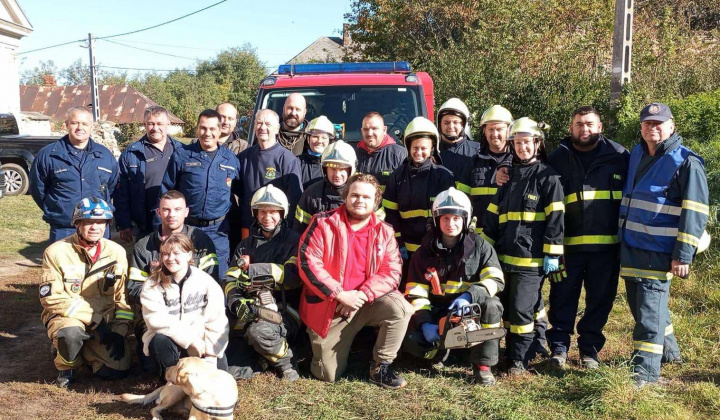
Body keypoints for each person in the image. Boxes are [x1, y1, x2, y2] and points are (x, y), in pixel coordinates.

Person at [618, 103, 708, 388]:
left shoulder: (687, 162)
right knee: (642, 306)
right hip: (632, 246)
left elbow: (695, 213)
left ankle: (645, 374)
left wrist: (683, 255)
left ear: (671, 126)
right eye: (647, 123)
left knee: (648, 313)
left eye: (658, 123)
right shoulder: (637, 154)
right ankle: (669, 353)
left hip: (659, 252)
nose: (652, 128)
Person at [298, 173, 414, 388]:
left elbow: (392, 271)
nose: (360, 200)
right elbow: (308, 263)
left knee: (401, 309)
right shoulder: (323, 223)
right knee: (327, 375)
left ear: (376, 201)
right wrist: (340, 294)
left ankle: (381, 367)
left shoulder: (385, 231)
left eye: (366, 197)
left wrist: (361, 296)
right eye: (355, 195)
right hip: (331, 306)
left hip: (365, 301)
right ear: (345, 196)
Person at [546, 106, 629, 369]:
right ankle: (558, 350)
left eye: (590, 124)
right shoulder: (557, 158)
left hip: (606, 249)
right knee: (561, 298)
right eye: (579, 124)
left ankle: (589, 351)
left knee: (600, 301)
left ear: (600, 127)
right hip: (566, 249)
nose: (585, 129)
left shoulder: (619, 156)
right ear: (570, 128)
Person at [482, 117, 565, 375]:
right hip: (505, 258)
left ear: (537, 144)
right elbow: (494, 214)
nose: (522, 148)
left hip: (532, 261)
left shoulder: (548, 177)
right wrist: (484, 249)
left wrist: (552, 252)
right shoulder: (508, 177)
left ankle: (519, 360)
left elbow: (556, 216)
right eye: (517, 143)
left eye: (526, 143)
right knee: (509, 307)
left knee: (520, 312)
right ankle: (516, 351)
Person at [403, 188, 505, 386]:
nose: (451, 224)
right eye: (445, 218)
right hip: (438, 311)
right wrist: (424, 323)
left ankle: (483, 366)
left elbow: (496, 279)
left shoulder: (481, 247)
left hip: (469, 310)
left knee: (493, 305)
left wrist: (469, 296)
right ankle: (440, 353)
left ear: (466, 220)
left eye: (456, 218)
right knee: (411, 340)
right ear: (436, 220)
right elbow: (415, 292)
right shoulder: (424, 252)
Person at [39, 198, 132, 388]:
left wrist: (119, 331)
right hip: (68, 318)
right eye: (89, 222)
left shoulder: (117, 252)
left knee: (116, 371)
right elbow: (52, 298)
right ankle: (67, 365)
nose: (95, 227)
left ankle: (85, 350)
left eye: (101, 222)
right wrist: (93, 320)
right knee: (71, 334)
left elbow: (121, 297)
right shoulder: (56, 252)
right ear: (77, 224)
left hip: (104, 322)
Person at [128, 190, 219, 370]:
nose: (172, 215)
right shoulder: (143, 247)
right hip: (158, 319)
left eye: (177, 209)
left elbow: (212, 283)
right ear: (158, 212)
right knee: (151, 364)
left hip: (195, 317)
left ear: (186, 212)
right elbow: (133, 289)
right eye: (166, 210)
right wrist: (163, 294)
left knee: (219, 366)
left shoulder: (201, 241)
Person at [223, 185, 302, 381]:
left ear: (282, 213)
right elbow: (230, 278)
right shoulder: (245, 245)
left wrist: (254, 271)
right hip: (251, 308)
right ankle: (264, 358)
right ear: (255, 214)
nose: (268, 217)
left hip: (285, 308)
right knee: (232, 368)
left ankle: (287, 364)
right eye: (262, 212)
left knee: (260, 332)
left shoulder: (294, 241)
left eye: (273, 212)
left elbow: (294, 277)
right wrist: (236, 301)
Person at [161, 109, 241, 279]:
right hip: (187, 228)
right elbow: (167, 191)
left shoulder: (231, 159)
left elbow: (239, 192)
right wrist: (165, 227)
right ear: (197, 129)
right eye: (203, 128)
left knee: (218, 278)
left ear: (220, 130)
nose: (207, 133)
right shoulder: (182, 156)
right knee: (183, 275)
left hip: (219, 231)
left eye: (212, 129)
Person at [140, 232, 229, 379]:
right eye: (166, 254)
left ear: (189, 256)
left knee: (219, 380)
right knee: (159, 340)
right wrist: (190, 340)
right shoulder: (152, 284)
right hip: (172, 343)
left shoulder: (206, 281)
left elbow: (217, 320)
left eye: (176, 253)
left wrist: (211, 353)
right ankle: (169, 381)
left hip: (202, 344)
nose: (171, 258)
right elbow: (155, 320)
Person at [30, 106, 118, 242]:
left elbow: (112, 187)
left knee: (99, 264)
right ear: (66, 124)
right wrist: (57, 207)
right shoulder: (48, 155)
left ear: (91, 126)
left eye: (84, 124)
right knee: (63, 263)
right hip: (64, 227)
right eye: (74, 123)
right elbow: (38, 189)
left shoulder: (105, 156)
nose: (79, 127)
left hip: (98, 227)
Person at [382, 116, 454, 277]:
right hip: (405, 250)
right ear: (408, 147)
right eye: (415, 148)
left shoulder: (443, 176)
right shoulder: (397, 176)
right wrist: (397, 243)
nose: (419, 152)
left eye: (423, 148)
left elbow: (450, 215)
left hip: (436, 249)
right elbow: (390, 214)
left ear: (432, 148)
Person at [114, 106, 183, 243]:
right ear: (144, 124)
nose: (155, 128)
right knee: (147, 262)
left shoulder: (181, 151)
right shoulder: (131, 154)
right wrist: (124, 224)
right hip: (145, 225)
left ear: (168, 123)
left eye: (159, 124)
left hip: (176, 223)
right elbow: (121, 192)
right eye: (151, 123)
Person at [237, 109, 303, 239]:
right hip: (248, 228)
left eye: (268, 124)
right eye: (259, 123)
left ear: (277, 128)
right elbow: (238, 190)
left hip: (276, 230)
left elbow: (295, 199)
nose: (262, 127)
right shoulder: (244, 157)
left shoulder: (287, 160)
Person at [457, 105, 514, 233]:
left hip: (509, 237)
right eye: (491, 129)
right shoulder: (473, 163)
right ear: (484, 131)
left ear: (509, 131)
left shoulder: (518, 163)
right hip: (479, 237)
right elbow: (461, 201)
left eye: (499, 129)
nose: (495, 134)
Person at [294, 140, 357, 233]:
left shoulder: (362, 192)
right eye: (332, 169)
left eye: (342, 169)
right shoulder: (311, 194)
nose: (337, 174)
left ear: (351, 169)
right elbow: (300, 231)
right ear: (324, 169)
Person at [355, 112, 407, 191]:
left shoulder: (400, 155)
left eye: (374, 128)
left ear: (384, 130)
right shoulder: (353, 155)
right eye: (366, 129)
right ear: (361, 130)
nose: (369, 133)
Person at [437, 98, 480, 181]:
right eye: (446, 122)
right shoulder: (431, 152)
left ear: (464, 125)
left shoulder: (478, 151)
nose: (451, 126)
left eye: (456, 122)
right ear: (439, 125)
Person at [298, 115, 335, 189]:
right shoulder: (296, 163)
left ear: (330, 141)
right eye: (315, 136)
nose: (319, 141)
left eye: (324, 138)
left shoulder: (334, 165)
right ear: (308, 138)